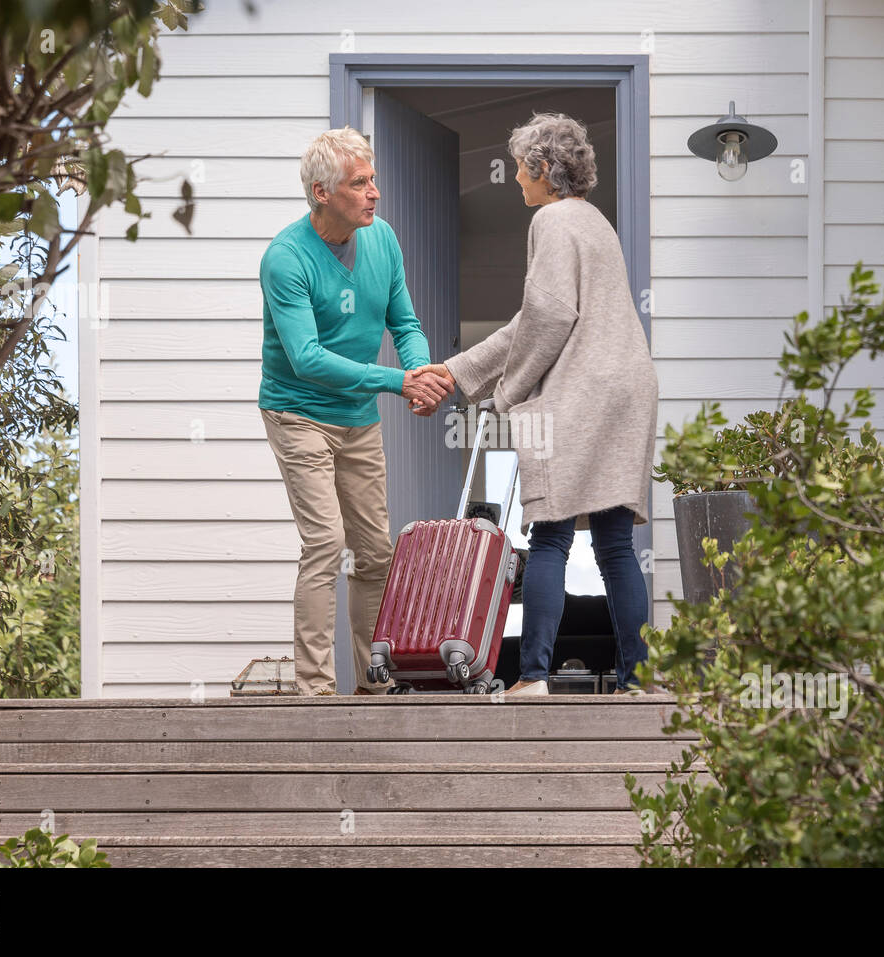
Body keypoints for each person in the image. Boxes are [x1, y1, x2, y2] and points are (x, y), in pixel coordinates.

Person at [415, 112, 660, 696]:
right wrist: (457, 371)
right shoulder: (595, 222)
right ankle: (640, 680)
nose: (517, 180)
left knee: (548, 530)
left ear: (544, 170)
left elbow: (550, 314)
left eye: (522, 169)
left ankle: (533, 676)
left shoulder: (551, 219)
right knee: (615, 540)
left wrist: (507, 394)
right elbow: (535, 318)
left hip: (583, 389)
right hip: (627, 385)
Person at [258, 127, 452, 696]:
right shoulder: (286, 259)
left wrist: (420, 377)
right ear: (321, 192)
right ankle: (315, 690)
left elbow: (405, 324)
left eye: (374, 180)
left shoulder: (382, 239)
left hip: (357, 416)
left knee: (374, 551)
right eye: (359, 183)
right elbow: (308, 359)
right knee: (324, 543)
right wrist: (399, 380)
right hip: (298, 413)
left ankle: (374, 685)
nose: (374, 193)